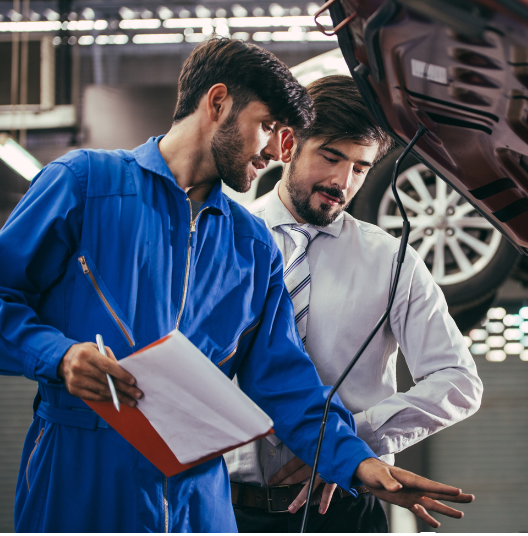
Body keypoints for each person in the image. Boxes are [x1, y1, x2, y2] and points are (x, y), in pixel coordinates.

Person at [0, 38, 472, 532]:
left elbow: (285, 382)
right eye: (268, 127)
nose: (275, 150)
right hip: (81, 476)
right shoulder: (85, 184)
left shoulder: (251, 245)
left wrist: (355, 460)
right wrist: (57, 356)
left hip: (197, 500)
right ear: (218, 103)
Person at [226, 75, 483, 532]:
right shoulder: (224, 238)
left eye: (361, 168)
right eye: (331, 157)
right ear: (288, 144)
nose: (342, 182)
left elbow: (458, 381)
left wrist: (345, 445)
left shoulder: (392, 260)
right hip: (228, 509)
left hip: (342, 511)